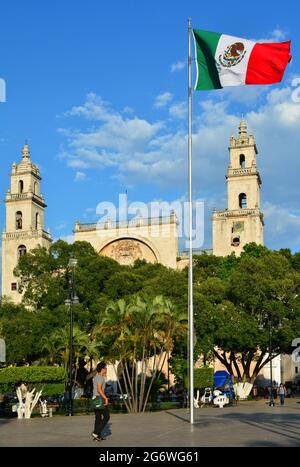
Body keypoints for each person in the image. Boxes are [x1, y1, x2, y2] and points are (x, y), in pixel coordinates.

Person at [91, 362, 110, 441]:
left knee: (98, 417)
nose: (106, 369)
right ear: (102, 369)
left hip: (95, 398)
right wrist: (105, 398)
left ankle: (97, 436)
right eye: (105, 368)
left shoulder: (96, 377)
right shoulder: (100, 377)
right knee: (106, 416)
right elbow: (99, 389)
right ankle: (96, 432)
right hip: (99, 398)